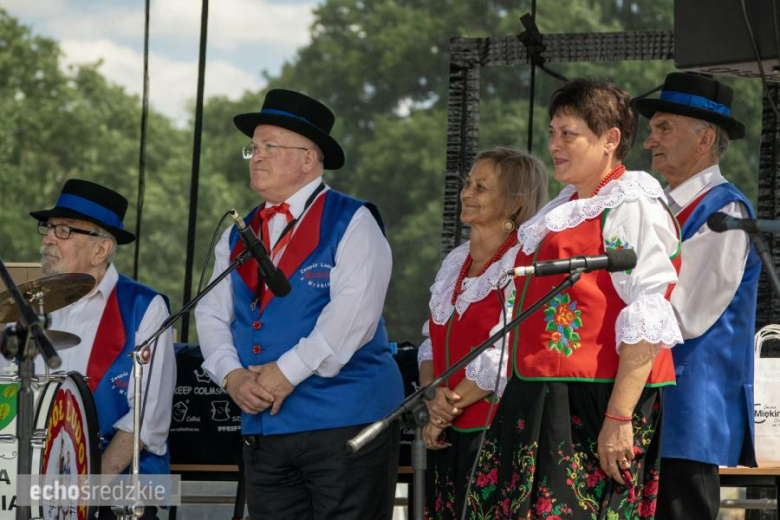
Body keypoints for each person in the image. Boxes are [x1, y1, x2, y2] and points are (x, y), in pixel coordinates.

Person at [466, 79, 683, 519]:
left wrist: (619, 418)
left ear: (610, 140)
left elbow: (648, 310)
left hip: (594, 399)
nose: (554, 145)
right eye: (551, 133)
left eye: (568, 134)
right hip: (541, 394)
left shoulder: (631, 202)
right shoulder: (560, 209)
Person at [194, 88, 404, 519]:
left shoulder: (353, 220)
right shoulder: (238, 232)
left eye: (270, 146)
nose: (256, 156)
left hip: (345, 423)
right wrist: (231, 375)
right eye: (253, 147)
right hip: (265, 430)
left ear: (309, 159)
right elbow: (211, 312)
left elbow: (352, 320)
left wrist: (284, 374)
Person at [636, 72, 759, 520]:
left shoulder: (723, 209)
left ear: (704, 138)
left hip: (688, 408)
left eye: (662, 128)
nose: (649, 141)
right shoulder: (665, 206)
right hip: (658, 405)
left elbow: (682, 314)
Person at [29, 179, 176, 519]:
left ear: (101, 249)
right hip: (39, 486)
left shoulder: (144, 307)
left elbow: (146, 421)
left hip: (120, 492)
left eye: (65, 230)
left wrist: (84, 495)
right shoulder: (30, 307)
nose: (49, 238)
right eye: (49, 228)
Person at [417, 147, 548, 519]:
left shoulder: (524, 261)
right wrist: (431, 399)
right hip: (445, 431)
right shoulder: (456, 259)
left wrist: (445, 408)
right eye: (467, 183)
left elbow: (509, 351)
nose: (466, 192)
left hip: (493, 431)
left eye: (481, 187)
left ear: (514, 202)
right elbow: (431, 341)